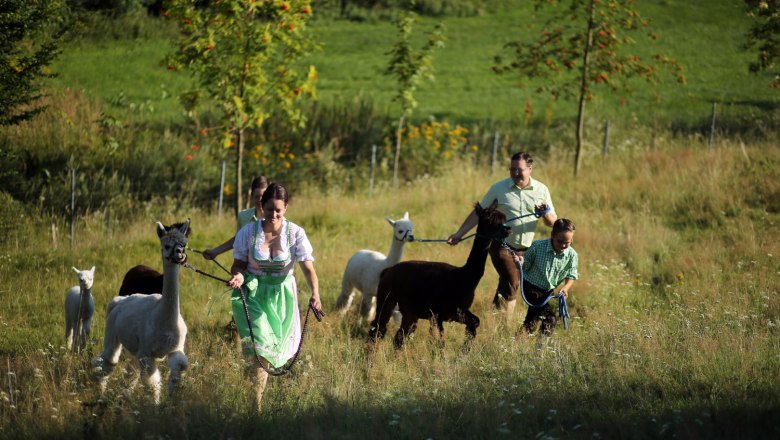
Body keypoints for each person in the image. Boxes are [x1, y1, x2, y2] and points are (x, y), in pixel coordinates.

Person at [226, 182, 323, 411]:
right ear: (261, 206)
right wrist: (238, 276)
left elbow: (308, 269)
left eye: (279, 209)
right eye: (270, 209)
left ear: (286, 207)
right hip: (254, 294)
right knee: (261, 351)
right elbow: (237, 265)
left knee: (274, 352)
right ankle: (255, 407)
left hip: (283, 297)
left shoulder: (295, 233)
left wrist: (315, 294)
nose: (274, 214)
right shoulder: (248, 233)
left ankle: (254, 391)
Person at [447, 152, 557, 317]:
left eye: (519, 169)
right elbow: (479, 213)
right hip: (502, 246)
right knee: (513, 281)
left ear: (530, 169)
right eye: (512, 169)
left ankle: (495, 316)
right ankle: (506, 324)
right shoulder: (498, 188)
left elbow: (552, 223)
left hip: (527, 249)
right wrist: (459, 233)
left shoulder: (541, 190)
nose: (515, 173)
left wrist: (545, 214)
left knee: (512, 283)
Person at [514, 218, 578, 336]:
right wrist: (520, 262)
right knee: (550, 319)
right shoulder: (538, 247)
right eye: (560, 241)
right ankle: (540, 349)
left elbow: (571, 275)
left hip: (548, 291)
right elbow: (525, 265)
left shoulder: (572, 255)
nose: (563, 245)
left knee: (531, 322)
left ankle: (517, 342)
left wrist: (566, 288)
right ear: (553, 235)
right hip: (531, 287)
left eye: (567, 242)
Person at [202, 176, 269, 260]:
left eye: (263, 196)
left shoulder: (275, 218)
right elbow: (238, 239)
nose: (260, 200)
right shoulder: (243, 216)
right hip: (246, 267)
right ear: (251, 196)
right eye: (257, 196)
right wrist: (215, 251)